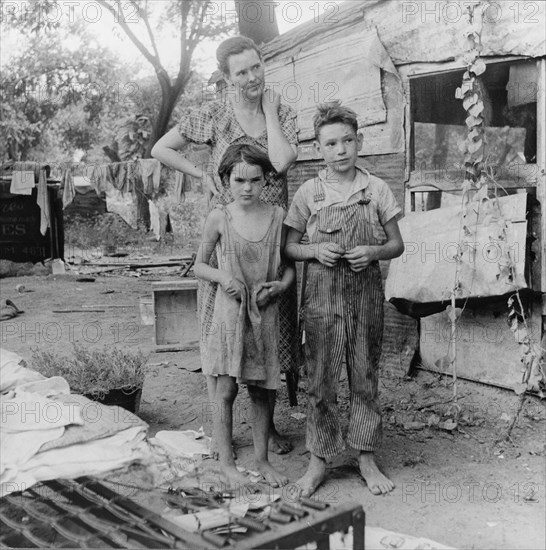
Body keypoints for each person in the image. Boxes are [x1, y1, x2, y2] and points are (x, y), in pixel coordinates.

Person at [151, 36, 298, 455]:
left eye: (256, 67)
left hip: (270, 239)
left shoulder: (282, 112)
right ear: (227, 78)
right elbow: (160, 148)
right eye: (241, 72)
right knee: (225, 333)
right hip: (228, 241)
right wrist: (199, 174)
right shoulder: (213, 114)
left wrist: (267, 110)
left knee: (270, 332)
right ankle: (223, 433)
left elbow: (283, 162)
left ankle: (265, 430)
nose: (252, 78)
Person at [284, 102, 404, 496]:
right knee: (320, 381)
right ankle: (318, 461)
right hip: (320, 300)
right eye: (331, 143)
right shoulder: (309, 193)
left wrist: (372, 252)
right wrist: (314, 251)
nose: (341, 150)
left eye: (348, 141)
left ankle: (366, 457)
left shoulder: (377, 189)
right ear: (319, 148)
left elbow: (396, 245)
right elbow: (289, 247)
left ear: (359, 141)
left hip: (365, 297)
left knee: (364, 377)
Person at [193, 143, 295, 487]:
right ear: (226, 180)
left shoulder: (278, 215)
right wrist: (224, 277)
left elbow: (290, 268)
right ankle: (226, 464)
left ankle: (262, 460)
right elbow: (199, 266)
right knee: (225, 390)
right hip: (229, 315)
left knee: (263, 390)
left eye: (255, 179)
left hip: (264, 314)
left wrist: (280, 286)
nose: (247, 187)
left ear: (266, 179)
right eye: (239, 180)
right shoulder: (220, 217)